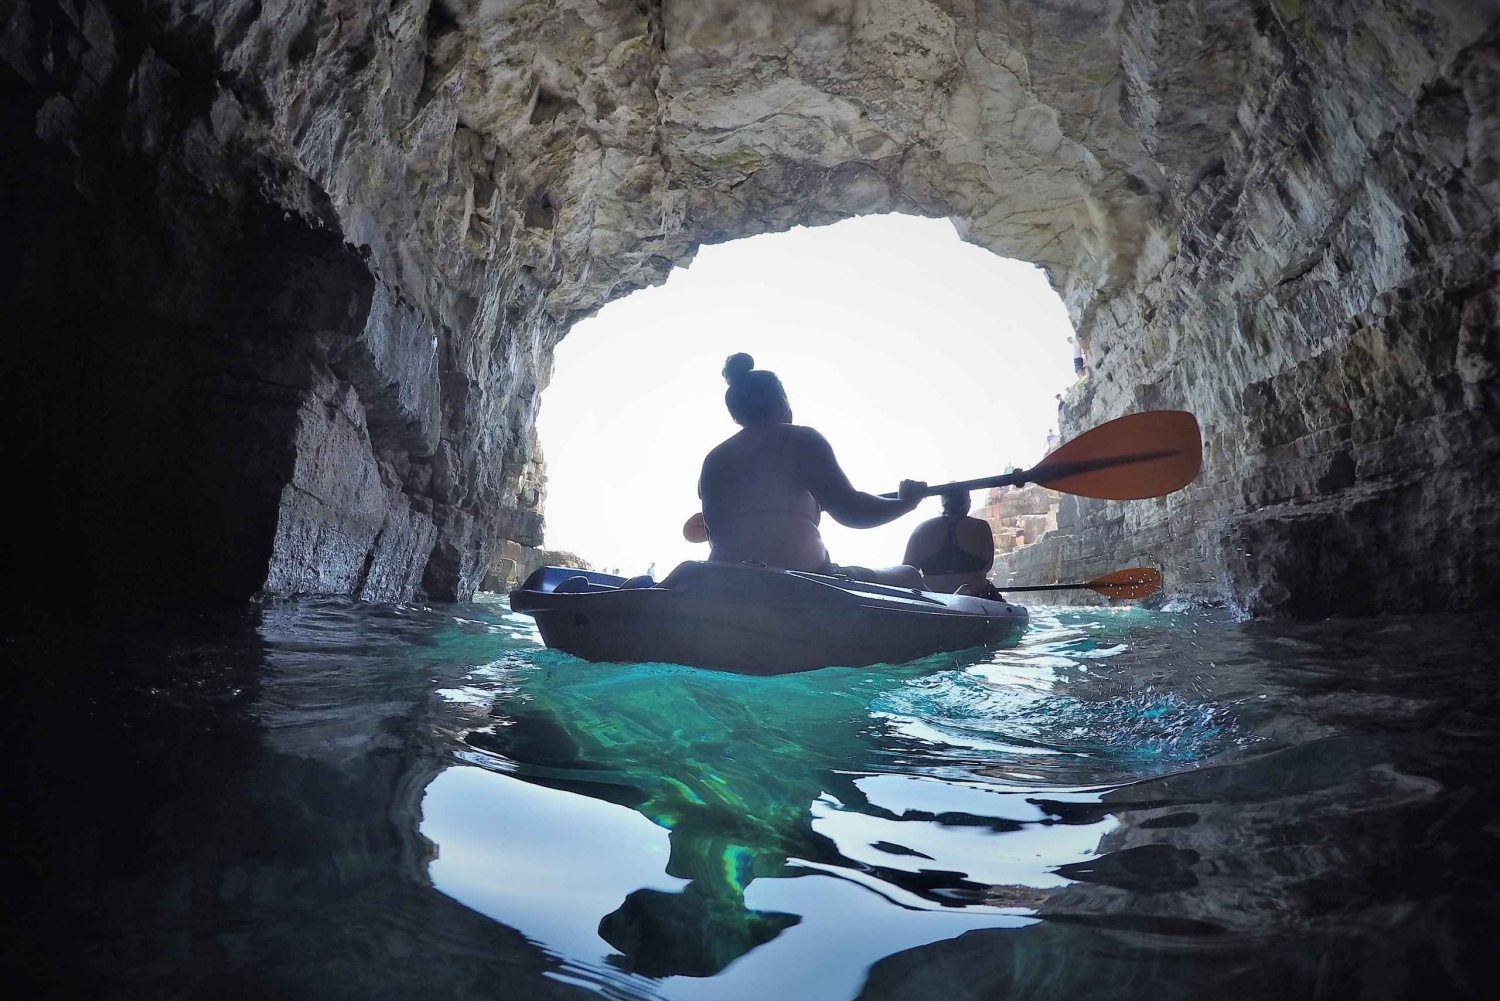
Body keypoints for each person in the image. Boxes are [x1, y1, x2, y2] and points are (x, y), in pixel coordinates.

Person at [698, 353, 927, 587]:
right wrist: (906, 503)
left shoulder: (713, 459)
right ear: (782, 400)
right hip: (804, 580)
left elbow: (719, 532)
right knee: (909, 575)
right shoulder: (799, 438)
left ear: (736, 414)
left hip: (724, 583)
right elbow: (852, 510)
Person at [902, 489, 1000, 596]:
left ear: (943, 503)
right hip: (976, 597)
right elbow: (987, 565)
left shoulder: (922, 529)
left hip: (934, 599)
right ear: (968, 502)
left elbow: (907, 571)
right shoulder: (981, 527)